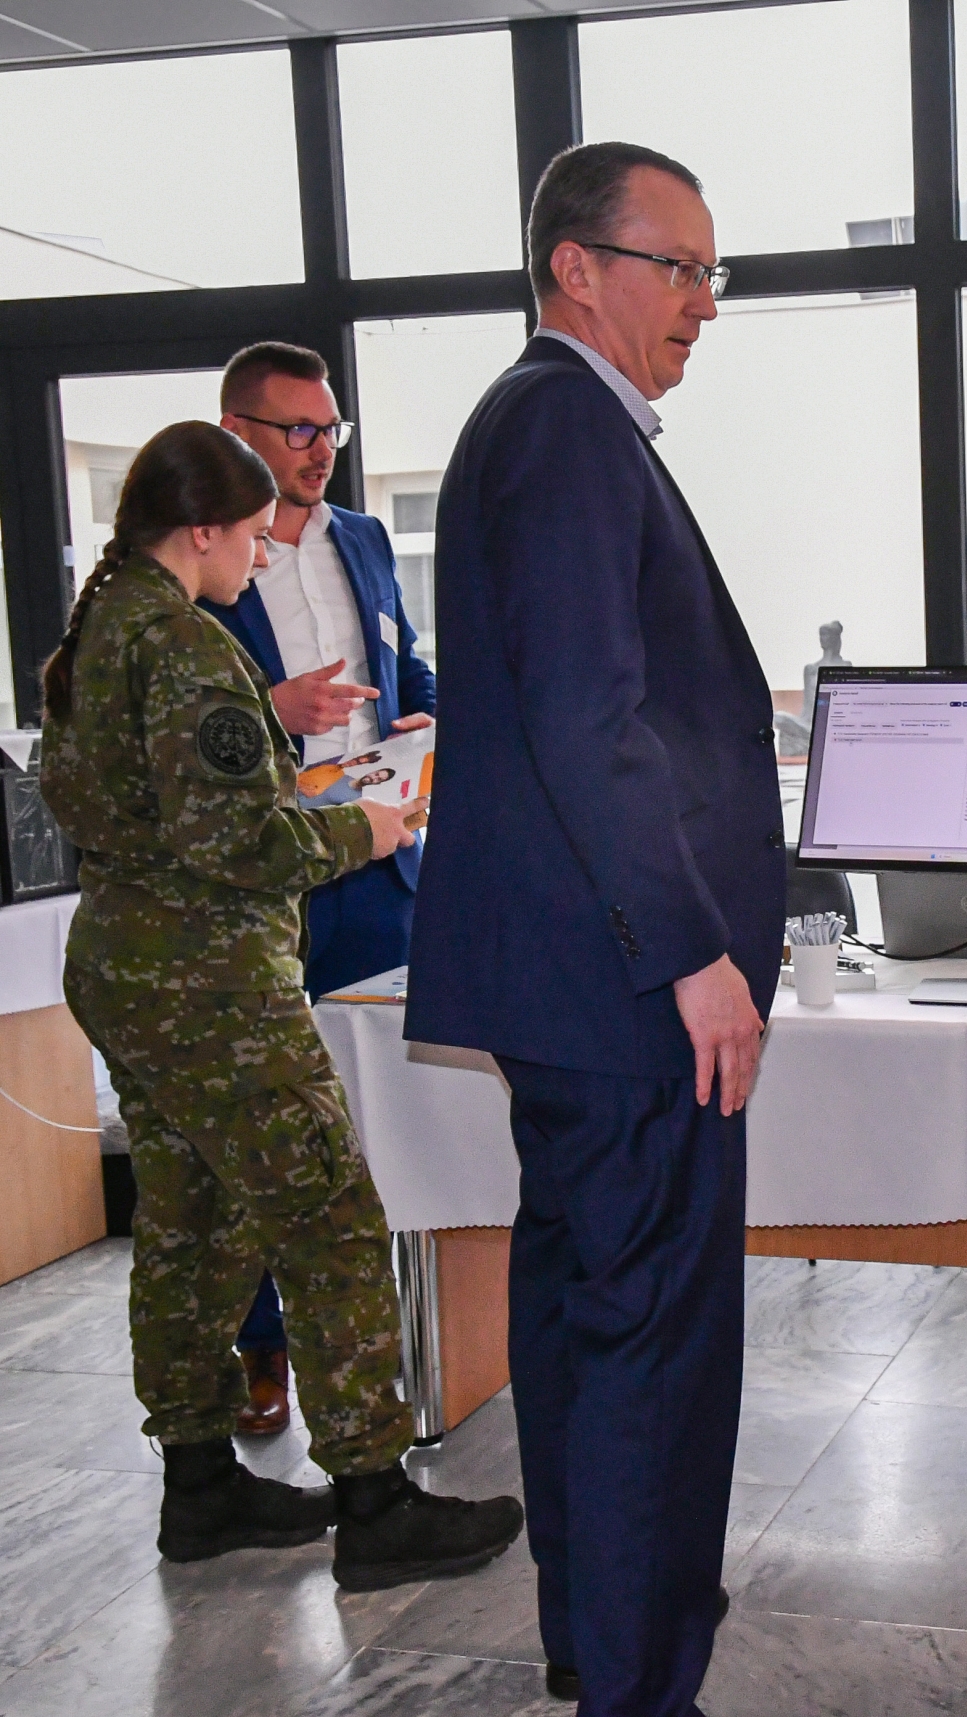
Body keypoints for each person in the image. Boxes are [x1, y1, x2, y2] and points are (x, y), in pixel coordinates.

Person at [407, 142, 784, 1714]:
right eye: (677, 267)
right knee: (650, 1354)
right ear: (579, 267)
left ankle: (598, 1640)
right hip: (627, 990)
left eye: (711, 271)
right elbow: (590, 718)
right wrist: (694, 952)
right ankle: (638, 1680)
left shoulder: (549, 422)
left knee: (584, 1324)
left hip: (577, 988)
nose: (705, 301)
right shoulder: (565, 424)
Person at [36, 420, 522, 1589]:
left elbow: (157, 815)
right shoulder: (187, 649)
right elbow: (241, 843)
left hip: (128, 968)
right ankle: (374, 1498)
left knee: (191, 1225)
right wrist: (368, 827)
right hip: (209, 985)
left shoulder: (99, 632)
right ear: (200, 530)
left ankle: (199, 1482)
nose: (262, 556)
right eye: (254, 537)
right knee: (330, 1217)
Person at [205, 340, 437, 1437]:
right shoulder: (205, 559)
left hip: (381, 863)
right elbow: (178, 725)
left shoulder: (365, 538)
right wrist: (272, 708)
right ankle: (265, 1344)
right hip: (270, 882)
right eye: (297, 429)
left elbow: (405, 658)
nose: (320, 451)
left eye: (330, 429)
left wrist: (429, 714)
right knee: (268, 1127)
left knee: (398, 1103)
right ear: (236, 433)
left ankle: (417, 1334)